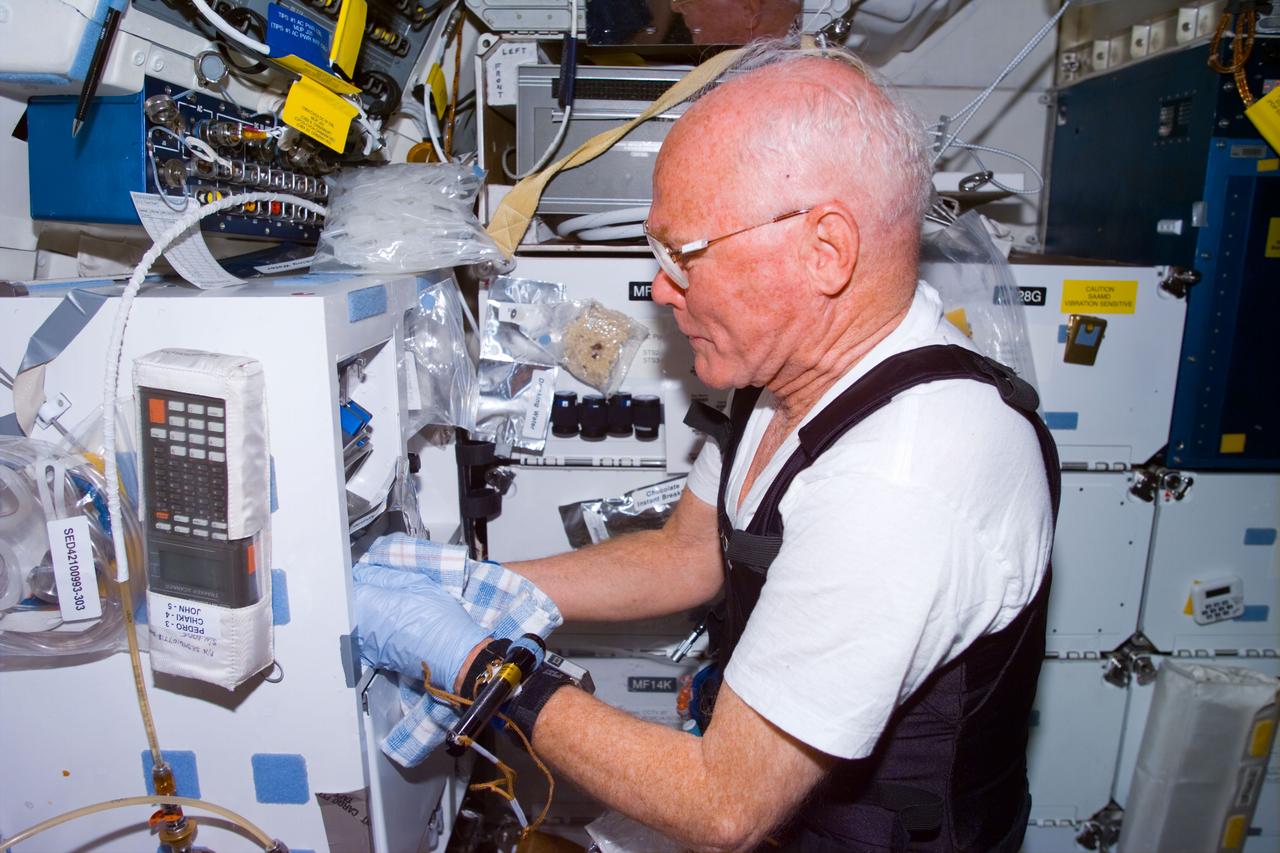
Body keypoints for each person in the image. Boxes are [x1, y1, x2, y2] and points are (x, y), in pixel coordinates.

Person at [357, 39, 1057, 852]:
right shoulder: (784, 378)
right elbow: (691, 553)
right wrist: (477, 586)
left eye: (682, 254)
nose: (660, 288)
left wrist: (483, 669)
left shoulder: (902, 476)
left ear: (825, 250)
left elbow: (724, 802)